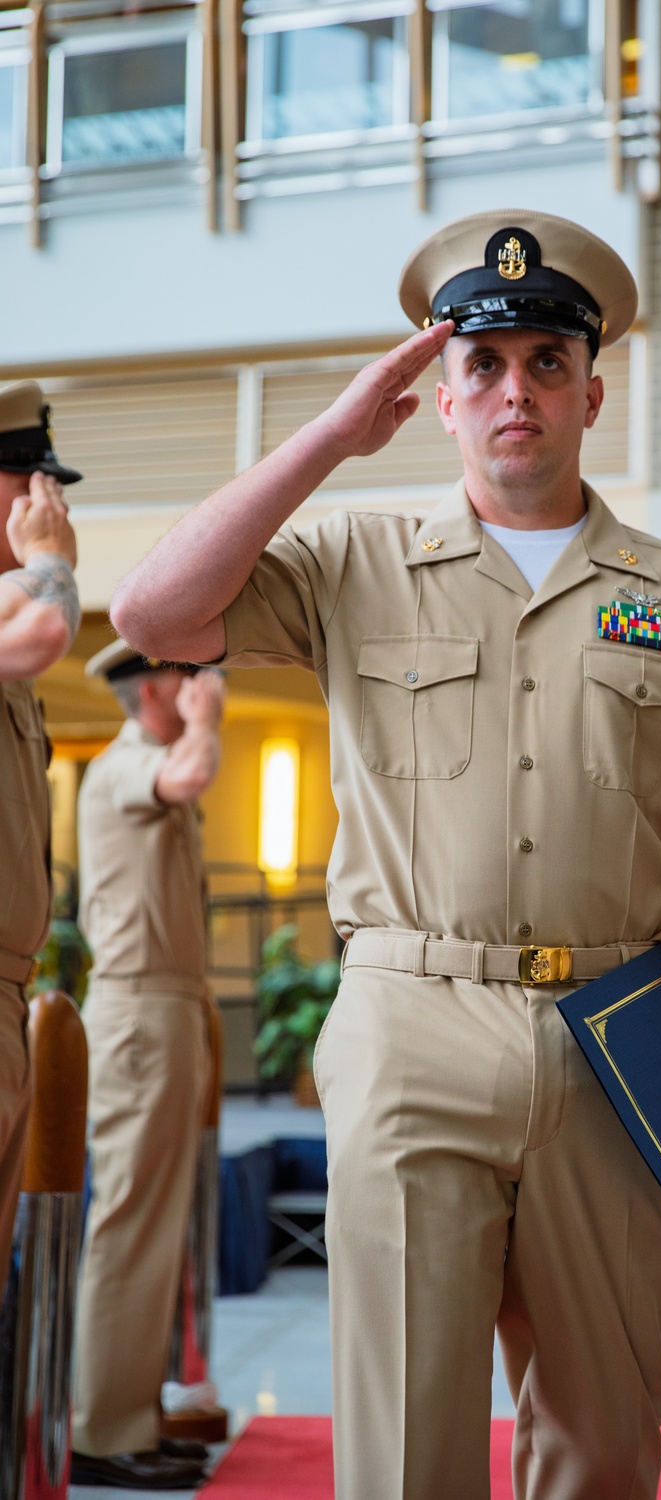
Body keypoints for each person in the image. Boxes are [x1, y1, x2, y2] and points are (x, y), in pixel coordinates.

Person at [110, 209, 661, 1500]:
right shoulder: (351, 560)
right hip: (411, 1020)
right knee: (406, 1431)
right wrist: (327, 437)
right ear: (439, 396)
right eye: (482, 365)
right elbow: (154, 611)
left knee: (606, 1433)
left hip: (618, 1036)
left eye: (548, 361)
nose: (516, 391)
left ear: (594, 391)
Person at [70, 643, 224, 1491]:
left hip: (168, 1006)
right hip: (137, 1011)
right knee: (129, 1225)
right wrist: (205, 722)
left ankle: (129, 1411)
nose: (206, 691)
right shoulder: (127, 764)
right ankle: (99, 1429)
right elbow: (192, 772)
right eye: (190, 679)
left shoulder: (148, 761)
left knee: (154, 1228)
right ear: (156, 687)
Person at [0, 381, 81, 1297]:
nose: (41, 503)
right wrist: (50, 560)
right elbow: (41, 626)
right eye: (21, 476)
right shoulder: (23, 610)